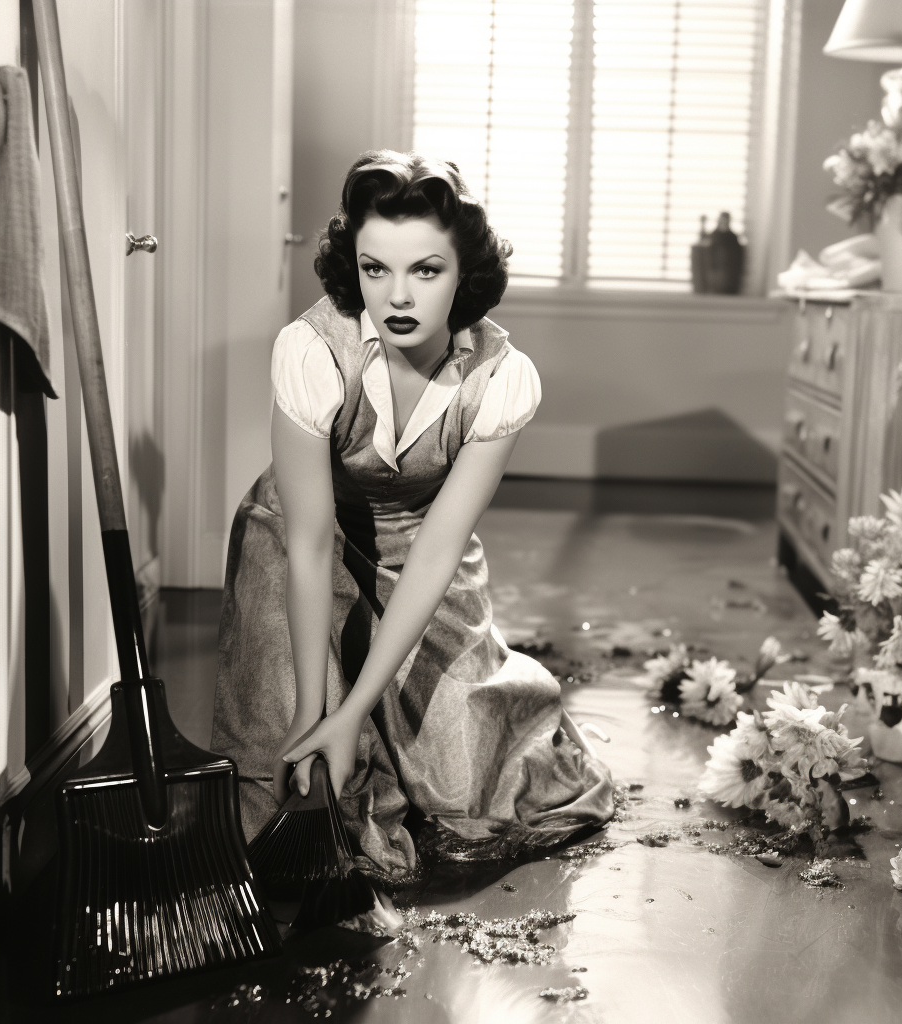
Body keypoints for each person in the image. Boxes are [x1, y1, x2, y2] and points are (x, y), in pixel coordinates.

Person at [211, 151, 614, 882]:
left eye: (425, 271)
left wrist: (355, 705)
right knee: (295, 757)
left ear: (463, 276)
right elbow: (305, 542)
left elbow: (436, 551)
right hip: (303, 538)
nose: (397, 296)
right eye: (375, 270)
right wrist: (315, 714)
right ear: (354, 267)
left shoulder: (502, 377)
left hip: (420, 550)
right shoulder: (310, 351)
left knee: (463, 784)